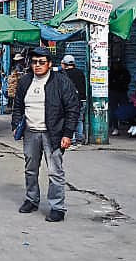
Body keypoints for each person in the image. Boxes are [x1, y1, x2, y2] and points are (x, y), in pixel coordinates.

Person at [11, 47, 81, 222]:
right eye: (34, 62)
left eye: (42, 62)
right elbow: (18, 106)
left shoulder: (61, 82)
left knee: (55, 172)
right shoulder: (26, 81)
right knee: (30, 169)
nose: (38, 66)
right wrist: (15, 124)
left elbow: (73, 108)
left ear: (49, 64)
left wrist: (67, 134)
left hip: (54, 134)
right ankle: (31, 199)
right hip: (30, 133)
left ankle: (57, 207)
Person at [60, 55, 88, 147]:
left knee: (70, 118)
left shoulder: (63, 74)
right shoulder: (80, 72)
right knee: (79, 119)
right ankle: (79, 139)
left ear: (64, 64)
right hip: (82, 99)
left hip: (71, 101)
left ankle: (72, 140)